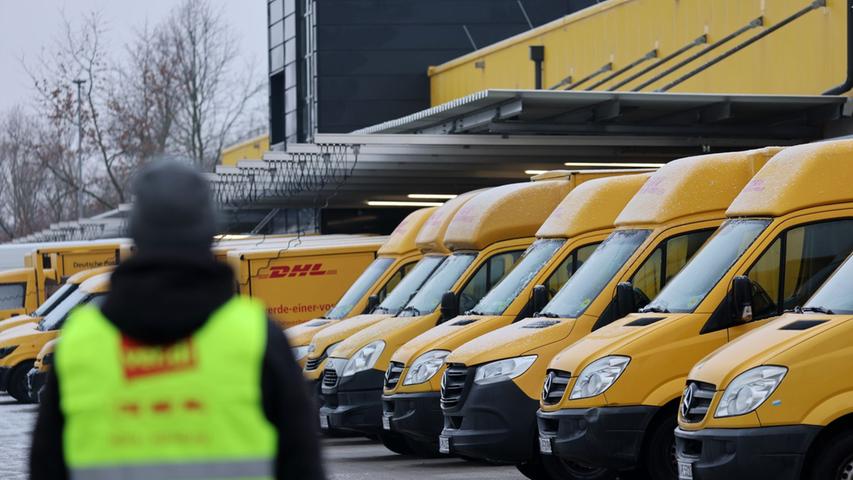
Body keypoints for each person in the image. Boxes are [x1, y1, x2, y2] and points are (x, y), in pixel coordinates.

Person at [30, 161, 326, 480]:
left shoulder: (81, 344)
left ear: (136, 233)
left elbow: (46, 468)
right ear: (210, 230)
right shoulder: (256, 338)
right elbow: (303, 466)